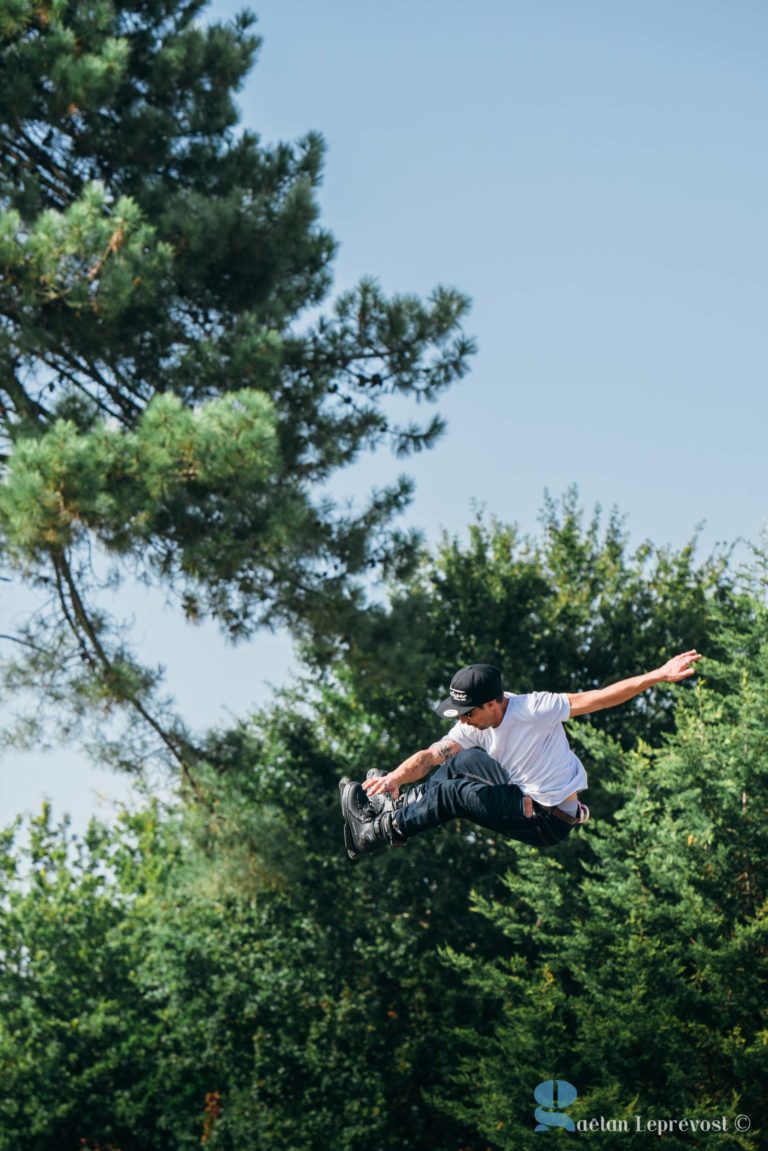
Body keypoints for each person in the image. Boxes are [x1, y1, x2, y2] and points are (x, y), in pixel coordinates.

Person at [339, 650, 701, 858]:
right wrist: (393, 780)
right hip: (521, 793)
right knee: (459, 761)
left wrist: (658, 675)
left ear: (495, 703)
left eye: (470, 714)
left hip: (546, 820)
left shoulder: (535, 708)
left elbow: (602, 696)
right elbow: (431, 756)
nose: (465, 722)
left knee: (454, 794)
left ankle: (377, 833)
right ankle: (396, 807)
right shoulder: (472, 725)